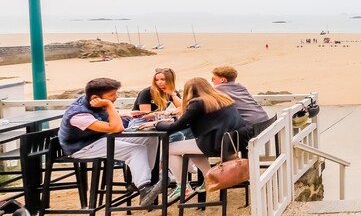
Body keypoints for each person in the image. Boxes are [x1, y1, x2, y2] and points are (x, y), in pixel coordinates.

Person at [57, 78, 162, 208]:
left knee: (150, 137)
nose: (116, 97)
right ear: (95, 97)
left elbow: (102, 117)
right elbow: (116, 128)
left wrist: (125, 114)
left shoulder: (92, 102)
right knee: (136, 150)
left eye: (116, 93)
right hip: (82, 147)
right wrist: (109, 105)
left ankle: (141, 181)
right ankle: (144, 189)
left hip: (100, 139)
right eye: (112, 95)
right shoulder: (78, 116)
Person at [158, 78, 247, 203]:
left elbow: (175, 127)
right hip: (230, 142)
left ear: (189, 91)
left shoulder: (197, 103)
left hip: (214, 144)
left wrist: (157, 124)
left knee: (169, 149)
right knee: (191, 149)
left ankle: (182, 186)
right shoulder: (221, 98)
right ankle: (209, 178)